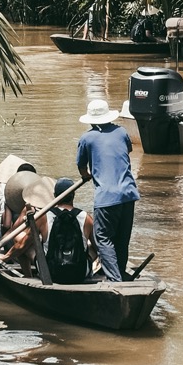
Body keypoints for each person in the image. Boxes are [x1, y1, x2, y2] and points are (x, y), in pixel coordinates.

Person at [76, 98, 138, 280]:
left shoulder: (87, 138)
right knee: (122, 238)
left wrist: (87, 175)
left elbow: (81, 166)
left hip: (107, 196)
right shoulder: (121, 132)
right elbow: (126, 151)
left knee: (102, 237)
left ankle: (115, 279)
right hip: (128, 193)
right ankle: (121, 273)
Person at [39, 177, 94, 285]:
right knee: (91, 246)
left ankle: (28, 276)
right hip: (79, 274)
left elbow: (23, 244)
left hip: (51, 273)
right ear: (73, 195)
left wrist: (6, 256)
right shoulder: (86, 217)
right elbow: (98, 246)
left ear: (55, 195)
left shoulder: (43, 216)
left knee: (29, 246)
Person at [0, 155, 36, 241]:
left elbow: (6, 225)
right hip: (27, 233)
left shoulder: (11, 197)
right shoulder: (38, 198)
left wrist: (2, 243)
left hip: (10, 236)